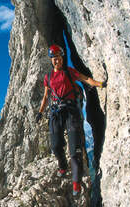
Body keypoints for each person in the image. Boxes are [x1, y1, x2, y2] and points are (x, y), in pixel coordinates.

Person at [35, 44, 106, 196]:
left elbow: (85, 78)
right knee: (55, 145)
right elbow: (46, 96)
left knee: (75, 149)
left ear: (62, 58)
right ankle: (62, 166)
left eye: (58, 58)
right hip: (55, 113)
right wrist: (40, 112)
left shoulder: (69, 72)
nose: (56, 61)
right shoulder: (48, 77)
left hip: (71, 112)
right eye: (54, 58)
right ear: (51, 60)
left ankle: (76, 183)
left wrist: (99, 84)